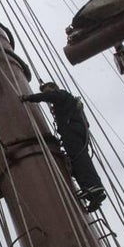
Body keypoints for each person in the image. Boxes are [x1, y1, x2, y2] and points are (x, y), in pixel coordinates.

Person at [20, 81, 107, 212]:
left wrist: (29, 98)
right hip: (77, 131)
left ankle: (93, 186)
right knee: (75, 162)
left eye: (47, 90)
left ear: (54, 88)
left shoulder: (62, 94)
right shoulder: (66, 103)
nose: (46, 94)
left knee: (79, 158)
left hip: (71, 130)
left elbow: (51, 96)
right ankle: (91, 193)